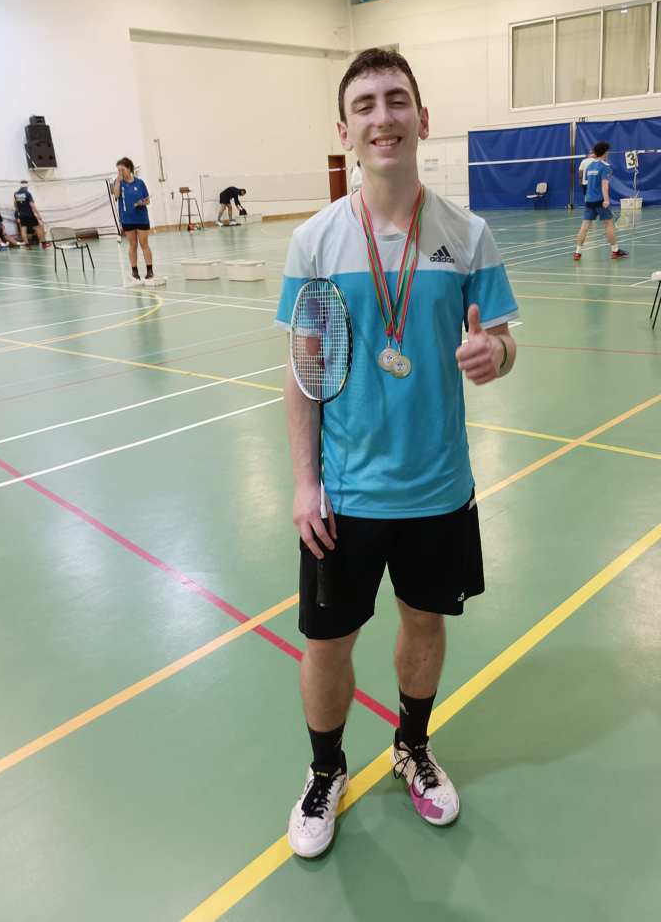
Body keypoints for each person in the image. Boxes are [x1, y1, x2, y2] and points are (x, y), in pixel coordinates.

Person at [276, 48, 518, 859]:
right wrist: (304, 482)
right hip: (343, 495)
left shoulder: (467, 234)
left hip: (437, 487)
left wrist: (494, 354)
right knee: (327, 642)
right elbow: (302, 372)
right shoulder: (314, 242)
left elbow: (502, 340)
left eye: (396, 100)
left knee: (423, 622)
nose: (383, 117)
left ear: (422, 117)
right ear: (344, 130)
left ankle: (411, 746)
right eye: (365, 105)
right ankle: (325, 769)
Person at [573, 142, 628, 261]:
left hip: (589, 200)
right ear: (605, 152)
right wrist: (606, 200)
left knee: (584, 226)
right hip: (600, 200)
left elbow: (586, 183)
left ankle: (577, 252)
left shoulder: (589, 166)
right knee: (609, 224)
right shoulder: (605, 167)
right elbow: (604, 185)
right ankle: (615, 251)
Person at [112, 158, 154, 281]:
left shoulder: (140, 183)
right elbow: (116, 195)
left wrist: (142, 202)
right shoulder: (118, 183)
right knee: (132, 245)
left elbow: (147, 200)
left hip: (141, 218)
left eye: (122, 169)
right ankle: (134, 271)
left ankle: (149, 270)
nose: (120, 172)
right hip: (127, 219)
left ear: (129, 168)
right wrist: (118, 182)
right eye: (118, 170)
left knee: (144, 244)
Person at [13, 182, 45, 246]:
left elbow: (16, 205)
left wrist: (19, 212)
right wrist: (38, 214)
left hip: (22, 215)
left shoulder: (16, 194)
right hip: (29, 214)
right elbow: (31, 204)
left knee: (23, 229)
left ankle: (27, 244)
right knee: (38, 228)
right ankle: (44, 243)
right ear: (26, 186)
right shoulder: (27, 193)